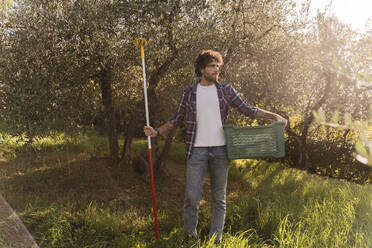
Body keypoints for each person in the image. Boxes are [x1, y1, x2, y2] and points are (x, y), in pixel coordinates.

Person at [144, 50, 287, 243]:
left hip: (221, 151)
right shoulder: (189, 93)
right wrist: (157, 132)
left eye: (218, 66)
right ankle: (189, 237)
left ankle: (215, 240)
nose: (216, 70)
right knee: (191, 198)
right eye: (212, 66)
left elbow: (247, 109)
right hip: (196, 151)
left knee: (219, 199)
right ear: (202, 69)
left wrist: (274, 116)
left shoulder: (226, 90)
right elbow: (176, 119)